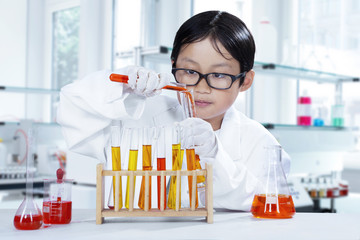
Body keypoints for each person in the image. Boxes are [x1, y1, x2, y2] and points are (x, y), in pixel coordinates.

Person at [57, 10, 290, 211]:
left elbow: (268, 207)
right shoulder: (142, 115)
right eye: (189, 72)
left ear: (246, 81)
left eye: (219, 75)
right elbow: (73, 109)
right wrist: (119, 88)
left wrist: (215, 156)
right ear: (173, 66)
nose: (200, 88)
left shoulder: (260, 143)